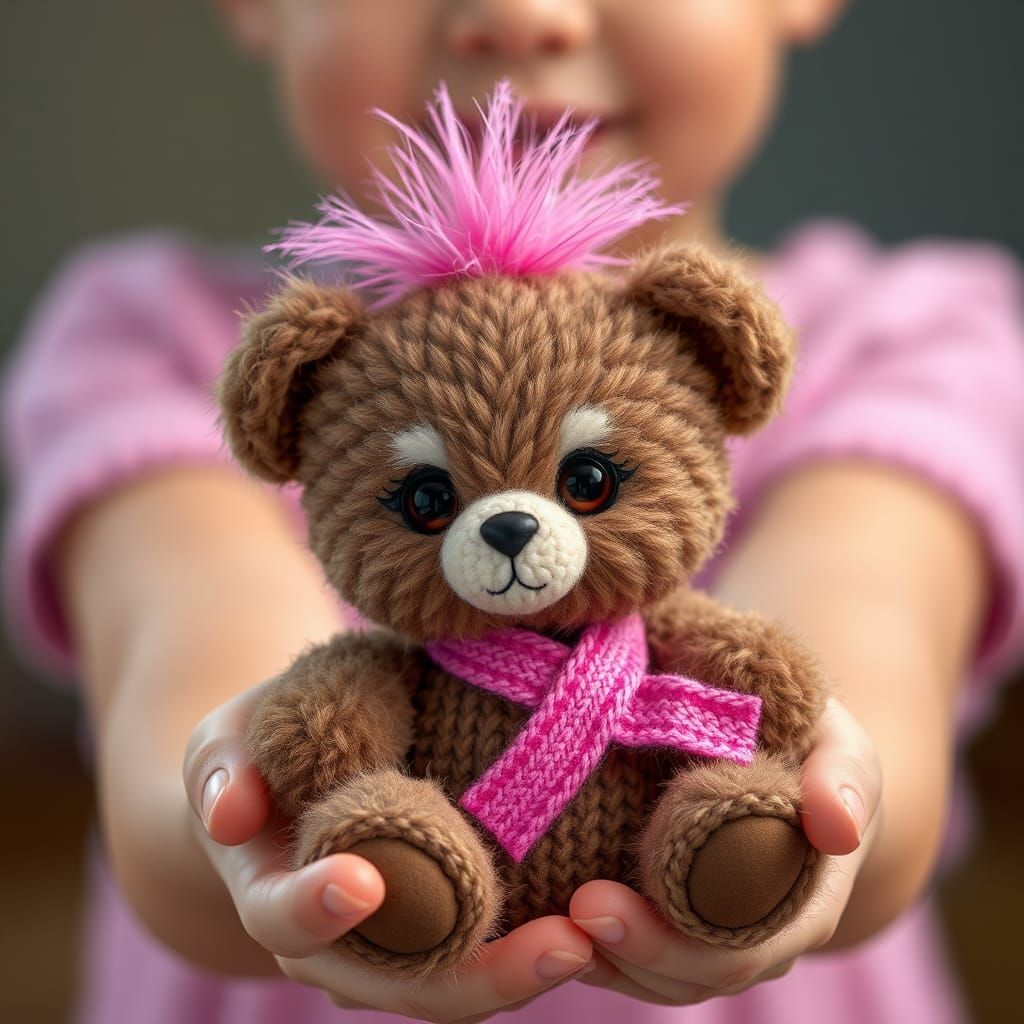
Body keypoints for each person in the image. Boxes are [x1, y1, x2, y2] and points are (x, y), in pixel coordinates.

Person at [3, 2, 1023, 1022]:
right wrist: (263, 819)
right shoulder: (150, 346)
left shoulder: (914, 343)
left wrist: (812, 814)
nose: (519, 14)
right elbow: (190, 683)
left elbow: (862, 682)